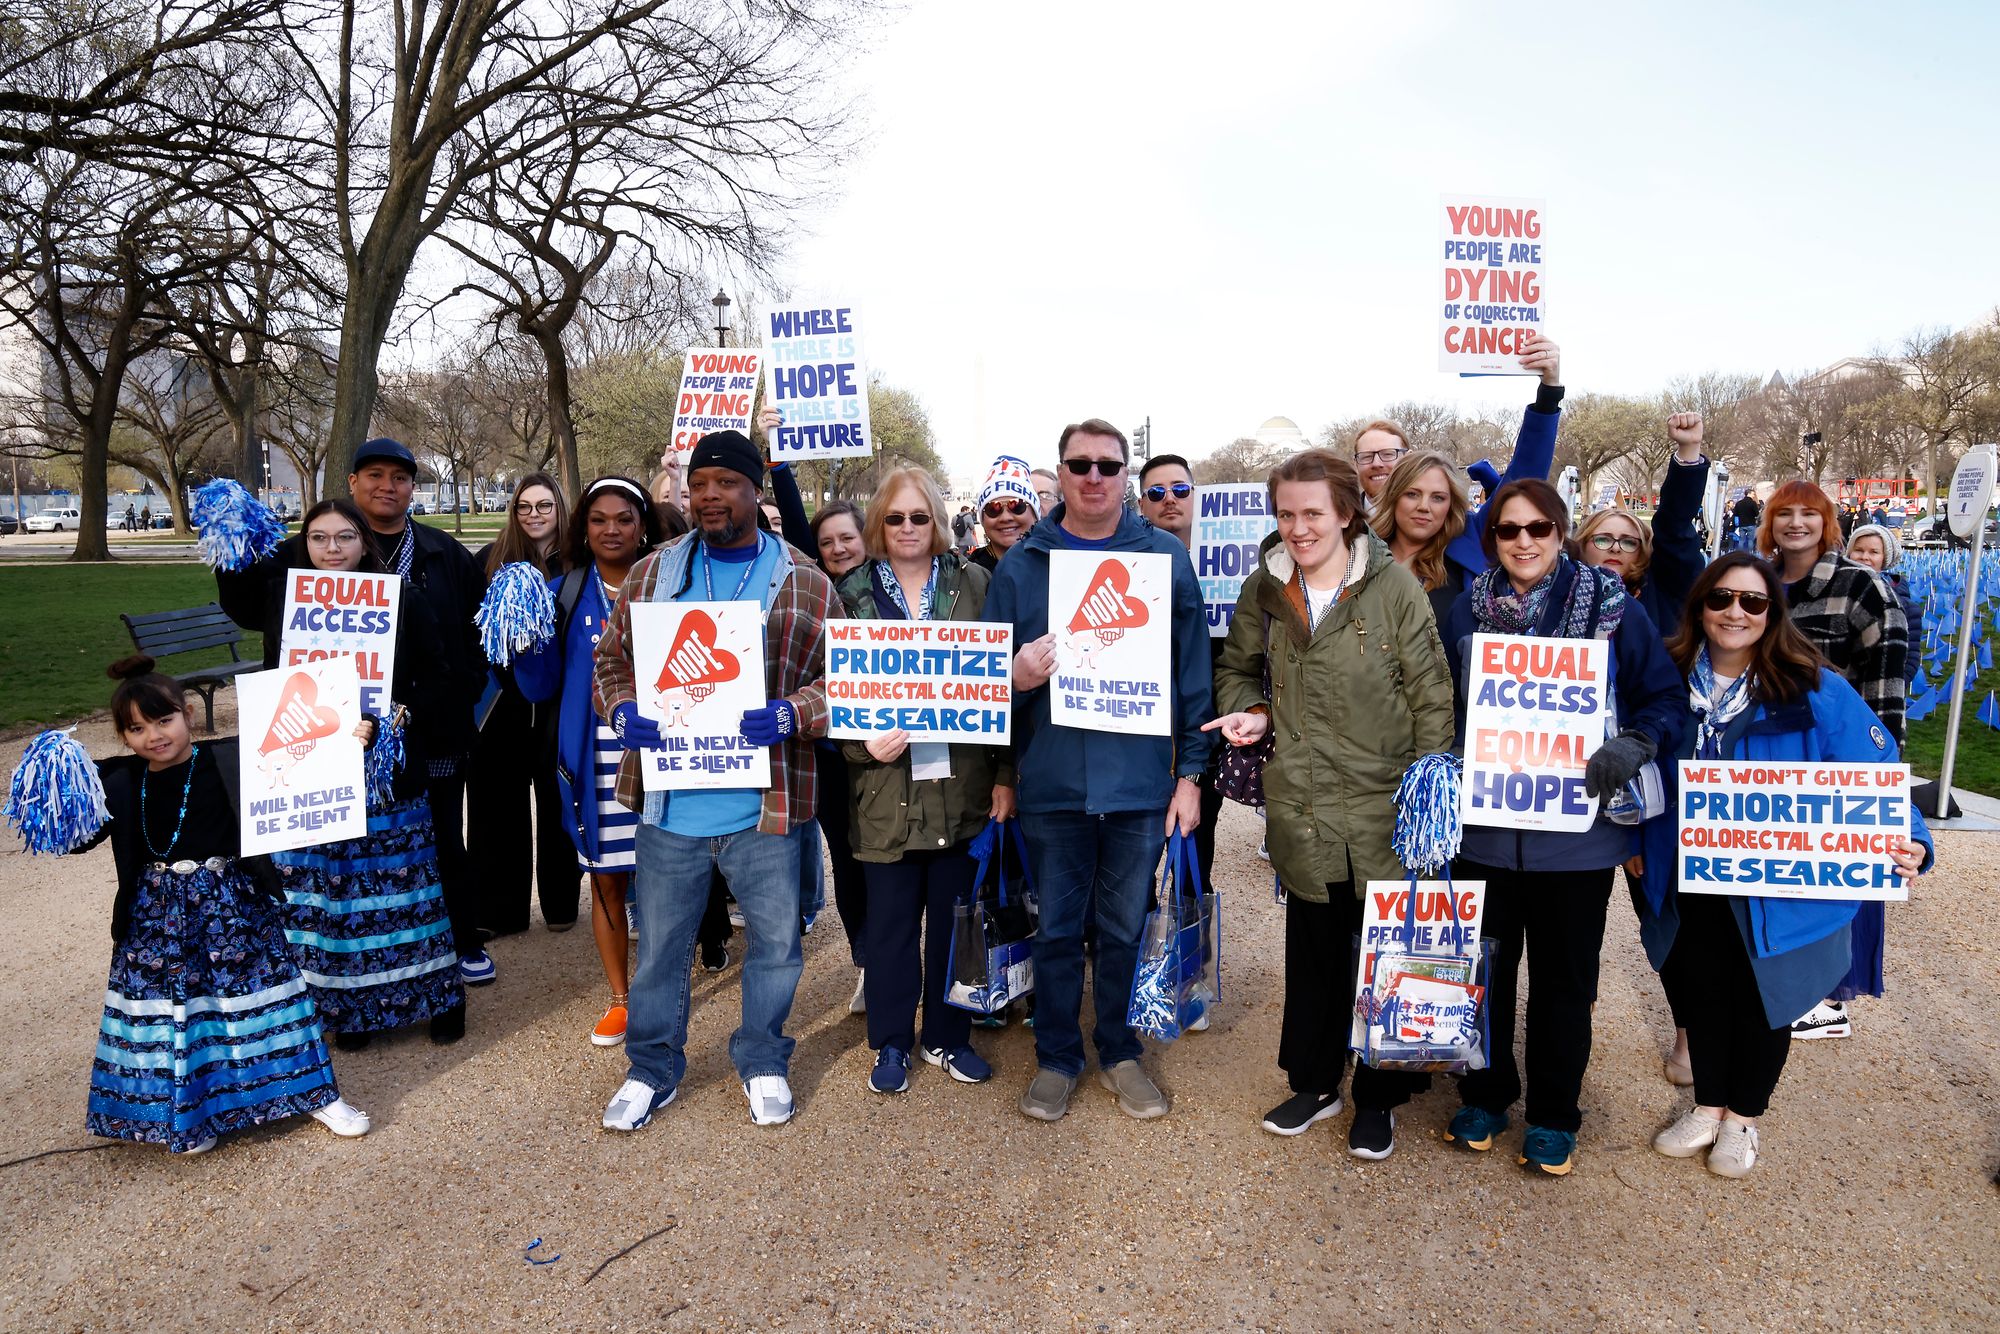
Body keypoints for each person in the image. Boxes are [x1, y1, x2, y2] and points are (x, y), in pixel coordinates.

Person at [1630, 554, 1930, 1176]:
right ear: (1700, 608)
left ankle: (1744, 1119)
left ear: (1772, 613)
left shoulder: (1814, 687)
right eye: (1720, 599)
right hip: (1687, 871)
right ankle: (1708, 1106)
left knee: (1767, 996)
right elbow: (1636, 765)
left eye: (1753, 602)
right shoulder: (1666, 678)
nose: (1735, 612)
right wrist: (1629, 836)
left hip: (1780, 880)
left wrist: (1913, 839)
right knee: (1702, 989)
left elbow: (1872, 774)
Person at [1207, 450, 1455, 1160]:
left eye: (1312, 512)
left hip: (1383, 807)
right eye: (1285, 513)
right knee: (1314, 950)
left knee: (1384, 951)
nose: (1298, 527)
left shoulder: (1393, 586)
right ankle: (1316, 1083)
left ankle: (1378, 1096)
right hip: (1304, 806)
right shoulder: (1267, 586)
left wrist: (1429, 793)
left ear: (1346, 512)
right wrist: (1250, 710)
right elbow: (1236, 667)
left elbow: (1432, 690)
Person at [593, 430, 839, 1132]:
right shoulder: (653, 573)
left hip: (766, 806)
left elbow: (846, 680)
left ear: (754, 490)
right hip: (670, 806)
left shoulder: (803, 580)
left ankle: (762, 1057)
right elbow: (610, 665)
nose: (708, 495)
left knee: (776, 946)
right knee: (662, 952)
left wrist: (795, 712)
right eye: (699, 483)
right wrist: (624, 710)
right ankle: (652, 1068)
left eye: (724, 483)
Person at [1439, 479, 1684, 1176]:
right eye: (1509, 530)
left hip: (1577, 838)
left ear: (1560, 532)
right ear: (1492, 540)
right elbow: (1438, 703)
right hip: (1482, 833)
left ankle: (1553, 1112)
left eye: (1538, 529)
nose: (1523, 542)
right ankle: (1485, 1093)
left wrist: (1636, 741)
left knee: (1565, 985)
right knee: (1484, 973)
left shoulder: (1614, 609)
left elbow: (1664, 697)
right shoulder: (1467, 609)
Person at [986, 417, 1214, 1123]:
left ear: (1125, 474)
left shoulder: (1164, 561)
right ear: (1060, 471)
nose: (1093, 478)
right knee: (1055, 930)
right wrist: (1009, 684)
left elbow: (1191, 671)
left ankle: (1118, 1049)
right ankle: (1057, 1056)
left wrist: (1192, 776)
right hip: (1051, 781)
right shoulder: (1022, 565)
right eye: (1079, 465)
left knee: (1121, 927)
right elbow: (983, 679)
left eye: (1107, 467)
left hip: (1139, 785)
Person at [59, 656, 369, 1154]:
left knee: (269, 993)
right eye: (136, 728)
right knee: (180, 1012)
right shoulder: (118, 783)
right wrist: (57, 781)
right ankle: (187, 1113)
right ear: (123, 735)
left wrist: (348, 738)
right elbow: (76, 838)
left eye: (164, 720)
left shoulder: (230, 759)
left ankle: (314, 1092)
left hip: (233, 902)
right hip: (156, 916)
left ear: (186, 714)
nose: (154, 736)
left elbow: (307, 764)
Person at [215, 438, 491, 985]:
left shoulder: (441, 553)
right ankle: (342, 964)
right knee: (337, 852)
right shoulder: (299, 558)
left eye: (399, 477)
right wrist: (228, 544)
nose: (386, 486)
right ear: (352, 482)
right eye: (374, 475)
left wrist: (436, 705)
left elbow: (471, 636)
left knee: (436, 838)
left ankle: (456, 941)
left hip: (420, 731)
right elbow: (248, 605)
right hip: (321, 735)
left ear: (412, 488)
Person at [253, 500, 468, 1048]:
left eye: (344, 537)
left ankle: (437, 999)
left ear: (364, 542)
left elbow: (441, 677)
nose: (332, 549)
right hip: (316, 763)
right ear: (305, 544)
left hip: (386, 768)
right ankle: (353, 1005)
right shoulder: (287, 601)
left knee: (406, 885)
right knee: (338, 890)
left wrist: (395, 715)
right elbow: (279, 678)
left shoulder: (403, 598)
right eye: (319, 538)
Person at [835, 467, 1013, 1094]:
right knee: (887, 931)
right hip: (886, 792)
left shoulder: (976, 583)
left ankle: (946, 1035)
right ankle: (889, 1041)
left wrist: (1006, 776)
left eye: (919, 517)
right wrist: (860, 744)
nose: (908, 528)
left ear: (937, 520)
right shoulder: (849, 592)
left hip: (961, 787)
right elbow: (832, 694)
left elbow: (1000, 694)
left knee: (954, 923)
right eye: (894, 518)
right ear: (878, 525)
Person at [513, 477, 681, 1047]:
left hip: (668, 754)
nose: (612, 529)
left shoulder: (674, 584)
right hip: (597, 758)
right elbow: (539, 689)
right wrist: (523, 639)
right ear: (582, 528)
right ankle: (620, 998)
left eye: (625, 518)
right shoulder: (561, 592)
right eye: (599, 519)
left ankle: (665, 989)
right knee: (607, 881)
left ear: (643, 525)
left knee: (668, 881)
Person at [1757, 479, 1909, 1040]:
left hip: (1832, 758)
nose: (1796, 524)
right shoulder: (1760, 583)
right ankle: (1779, 986)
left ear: (1828, 523)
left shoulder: (1861, 585)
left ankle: (1823, 998)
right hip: (1765, 758)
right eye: (1784, 514)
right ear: (1769, 523)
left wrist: (1880, 779)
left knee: (1828, 880)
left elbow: (1885, 684)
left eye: (1809, 514)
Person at [469, 473, 577, 937]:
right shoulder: (489, 561)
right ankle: (499, 911)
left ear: (560, 510)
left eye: (544, 506)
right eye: (525, 507)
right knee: (497, 808)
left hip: (558, 704)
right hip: (500, 706)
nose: (534, 514)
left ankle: (561, 905)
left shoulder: (577, 563)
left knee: (557, 803)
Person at [1353, 335, 1562, 531]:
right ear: (1356, 464)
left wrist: (1548, 394)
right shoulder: (1338, 528)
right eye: (1366, 456)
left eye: (1388, 453)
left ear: (1408, 460)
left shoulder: (1458, 531)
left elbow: (1524, 476)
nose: (1377, 463)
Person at [1137, 452, 1225, 892]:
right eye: (1156, 492)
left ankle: (1190, 948)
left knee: (1194, 841)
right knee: (1138, 855)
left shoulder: (1234, 563)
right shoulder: (1134, 559)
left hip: (1206, 720)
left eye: (1180, 489)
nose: (1169, 499)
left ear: (1196, 496)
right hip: (1147, 723)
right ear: (1141, 504)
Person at [809, 498, 872, 1011]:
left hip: (892, 754)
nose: (837, 549)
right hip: (833, 756)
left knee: (895, 868)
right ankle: (868, 964)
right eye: (826, 542)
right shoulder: (812, 594)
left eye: (846, 538)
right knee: (848, 865)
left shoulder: (892, 590)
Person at [1575, 413, 1710, 640]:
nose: (1615, 548)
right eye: (1603, 539)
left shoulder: (1663, 590)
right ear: (1582, 543)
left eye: (1629, 542)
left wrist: (1689, 449)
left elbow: (1674, 527)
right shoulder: (1560, 594)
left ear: (1643, 551)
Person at [1370, 448, 1473, 629]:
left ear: (1450, 506)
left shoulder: (1462, 575)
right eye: (1412, 494)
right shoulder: (1357, 558)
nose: (1424, 506)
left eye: (1438, 498)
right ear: (1394, 496)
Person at [1847, 522, 1924, 683]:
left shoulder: (1907, 607)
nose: (1864, 557)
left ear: (1885, 558)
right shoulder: (1834, 596)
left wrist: (1891, 689)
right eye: (1858, 550)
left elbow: (1910, 658)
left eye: (1874, 552)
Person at [969, 455, 1041, 572]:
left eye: (1017, 506)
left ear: (1035, 514)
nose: (1005, 517)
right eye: (993, 508)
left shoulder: (1055, 566)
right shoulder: (965, 576)